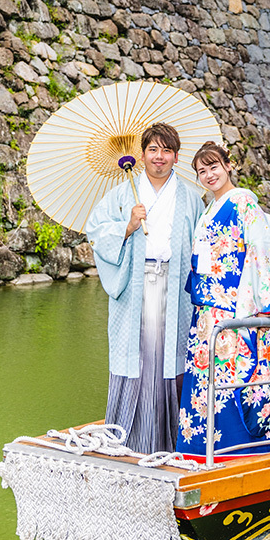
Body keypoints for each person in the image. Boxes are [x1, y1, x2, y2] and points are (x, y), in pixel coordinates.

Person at [86, 122, 203, 455]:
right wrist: (129, 225)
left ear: (176, 157)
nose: (159, 157)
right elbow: (95, 231)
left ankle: (173, 440)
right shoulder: (124, 194)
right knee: (137, 358)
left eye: (167, 150)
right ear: (141, 155)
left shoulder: (191, 199)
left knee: (171, 357)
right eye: (153, 149)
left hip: (175, 287)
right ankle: (129, 439)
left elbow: (202, 244)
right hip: (136, 286)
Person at [176, 141, 270, 458]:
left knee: (235, 381)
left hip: (233, 309)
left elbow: (264, 248)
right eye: (202, 171)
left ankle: (239, 454)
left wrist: (265, 304)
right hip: (206, 313)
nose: (209, 175)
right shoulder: (209, 209)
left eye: (214, 166)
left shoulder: (242, 202)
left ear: (228, 165)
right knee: (205, 384)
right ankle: (199, 453)